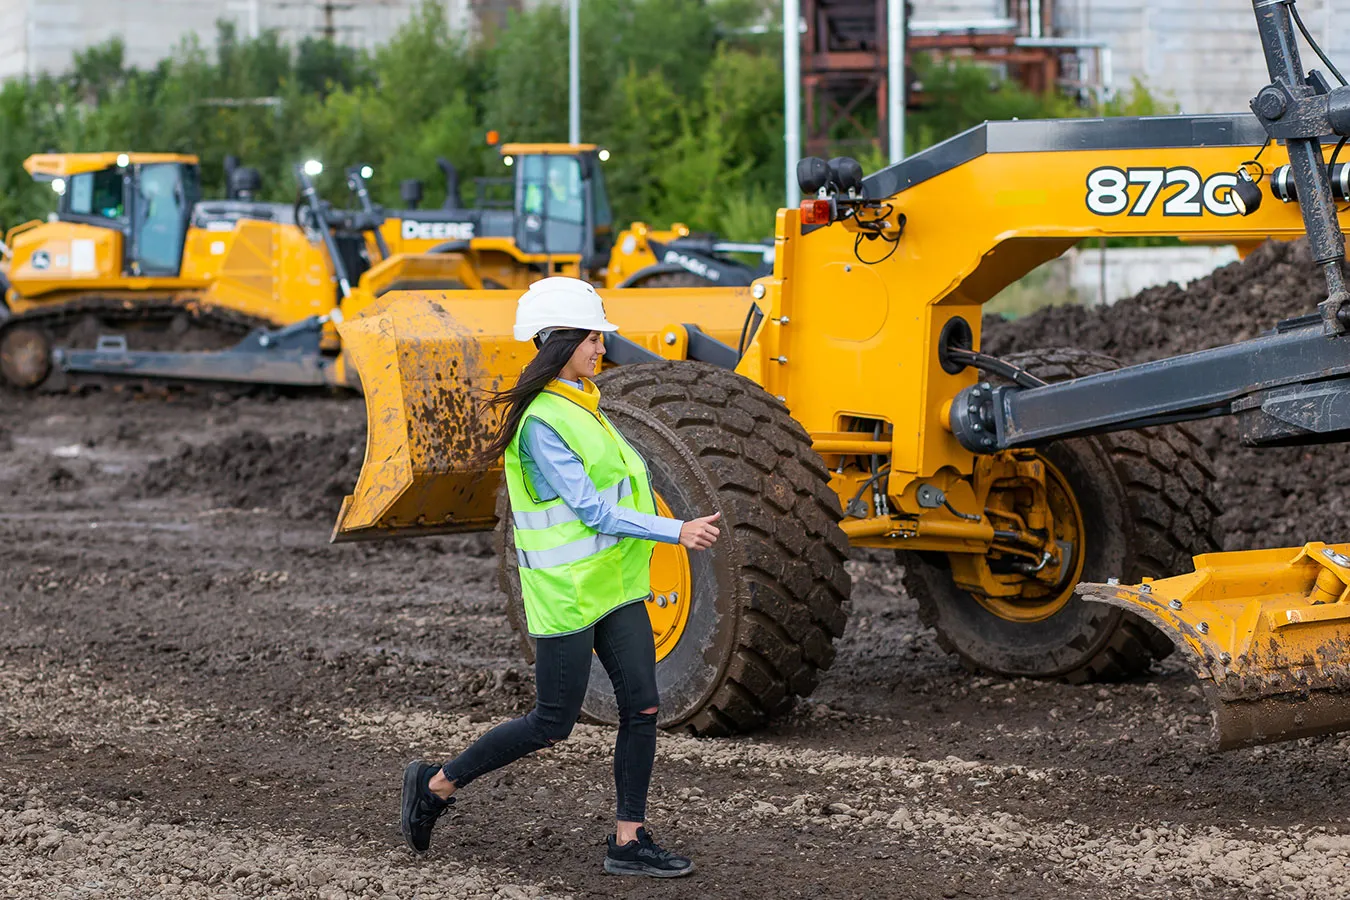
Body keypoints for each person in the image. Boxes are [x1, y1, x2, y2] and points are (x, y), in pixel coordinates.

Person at [400, 276, 722, 878]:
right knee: (552, 723)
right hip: (569, 596)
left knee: (643, 708)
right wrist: (675, 531)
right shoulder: (543, 423)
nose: (602, 347)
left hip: (616, 586)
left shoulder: (586, 407)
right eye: (592, 337)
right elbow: (593, 511)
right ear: (560, 342)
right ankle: (436, 785)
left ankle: (628, 841)